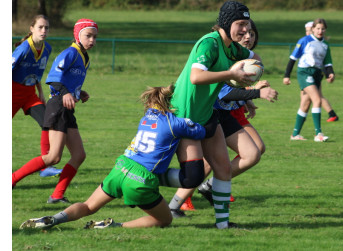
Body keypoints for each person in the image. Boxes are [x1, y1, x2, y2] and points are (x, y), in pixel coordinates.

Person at [19, 84, 208, 230]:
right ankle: (117, 226)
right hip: (140, 178)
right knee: (165, 220)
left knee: (88, 206)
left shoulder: (146, 118)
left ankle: (55, 218)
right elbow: (200, 131)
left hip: (121, 167)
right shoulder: (175, 122)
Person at [165, 0, 259, 229]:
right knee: (193, 177)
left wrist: (251, 73)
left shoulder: (232, 47)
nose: (245, 30)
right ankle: (146, 182)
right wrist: (231, 73)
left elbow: (255, 57)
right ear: (226, 23)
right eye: (240, 24)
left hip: (207, 114)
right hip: (184, 116)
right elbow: (196, 77)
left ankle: (223, 225)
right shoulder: (209, 43)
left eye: (247, 25)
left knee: (223, 168)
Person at [179, 19, 278, 212]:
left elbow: (235, 87)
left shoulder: (245, 60)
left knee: (256, 149)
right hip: (217, 112)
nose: (248, 37)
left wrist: (247, 99)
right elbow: (225, 90)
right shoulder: (225, 55)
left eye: (252, 33)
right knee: (211, 161)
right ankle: (182, 199)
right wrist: (255, 92)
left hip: (233, 110)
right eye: (244, 33)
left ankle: (209, 187)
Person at [12, 19, 98, 203]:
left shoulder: (85, 58)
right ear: (77, 35)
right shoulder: (70, 53)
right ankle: (11, 180)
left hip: (67, 107)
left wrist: (78, 92)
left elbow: (67, 81)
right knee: (53, 157)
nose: (92, 40)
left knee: (79, 155)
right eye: (88, 36)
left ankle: (57, 195)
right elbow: (53, 78)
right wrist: (66, 92)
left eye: (94, 37)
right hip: (58, 105)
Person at [12, 15, 62, 177]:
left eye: (46, 28)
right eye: (40, 27)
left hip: (29, 94)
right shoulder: (24, 48)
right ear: (31, 29)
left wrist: (40, 92)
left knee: (47, 122)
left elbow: (37, 74)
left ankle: (45, 165)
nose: (44, 31)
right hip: (12, 92)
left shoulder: (47, 49)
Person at [283, 18, 335, 142]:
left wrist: (330, 74)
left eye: (323, 29)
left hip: (317, 74)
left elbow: (327, 63)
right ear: (312, 29)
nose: (320, 31)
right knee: (317, 100)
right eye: (318, 28)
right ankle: (318, 134)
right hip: (304, 72)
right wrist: (287, 75)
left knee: (306, 104)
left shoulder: (325, 44)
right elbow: (292, 59)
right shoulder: (305, 41)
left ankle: (295, 134)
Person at [302, 21, 339, 123]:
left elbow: (321, 62)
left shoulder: (319, 45)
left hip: (313, 74)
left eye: (309, 31)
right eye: (306, 31)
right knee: (312, 98)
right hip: (307, 73)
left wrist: (328, 73)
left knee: (314, 98)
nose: (308, 33)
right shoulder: (306, 43)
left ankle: (330, 115)